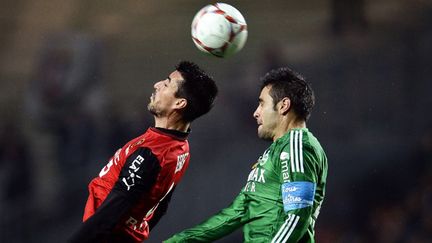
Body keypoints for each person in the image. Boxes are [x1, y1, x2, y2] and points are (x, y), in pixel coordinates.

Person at [165, 67, 328, 242]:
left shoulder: (298, 146)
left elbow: (297, 217)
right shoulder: (273, 153)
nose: (256, 112)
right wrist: (179, 240)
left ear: (283, 106)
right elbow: (236, 212)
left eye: (262, 103)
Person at [68, 61, 218, 243]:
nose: (157, 84)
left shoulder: (151, 154)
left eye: (167, 83)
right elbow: (161, 207)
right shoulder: (181, 148)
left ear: (179, 103)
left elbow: (109, 215)